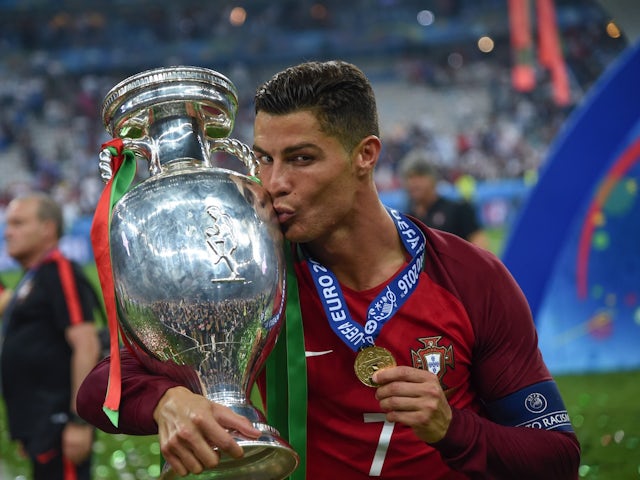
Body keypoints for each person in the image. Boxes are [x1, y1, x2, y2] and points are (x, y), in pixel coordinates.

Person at [77, 60, 580, 479]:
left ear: (365, 155)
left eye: (300, 159)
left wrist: (453, 428)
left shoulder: (470, 277)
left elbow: (556, 457)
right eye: (264, 159)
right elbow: (101, 388)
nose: (273, 183)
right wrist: (166, 401)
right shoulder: (256, 271)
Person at [1, 193, 101, 480]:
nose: (8, 231)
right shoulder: (32, 277)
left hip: (59, 424)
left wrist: (79, 421)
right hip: (40, 425)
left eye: (18, 223)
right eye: (8, 224)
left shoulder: (60, 270)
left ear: (47, 228)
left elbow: (86, 344)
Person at [401, 151, 490, 249]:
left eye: (420, 176)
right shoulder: (406, 220)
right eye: (410, 177)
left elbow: (481, 250)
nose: (414, 183)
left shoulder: (458, 210)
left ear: (433, 179)